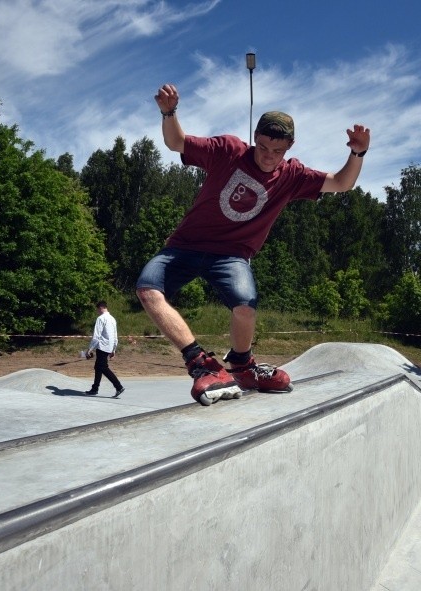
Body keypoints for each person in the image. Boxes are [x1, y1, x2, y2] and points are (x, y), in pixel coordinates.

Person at [137, 83, 371, 406]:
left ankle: (243, 366)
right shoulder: (228, 151)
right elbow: (176, 141)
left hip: (233, 256)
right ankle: (201, 363)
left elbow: (343, 183)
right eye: (263, 148)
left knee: (246, 304)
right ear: (255, 139)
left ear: (289, 147)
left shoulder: (292, 176)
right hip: (186, 245)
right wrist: (169, 112)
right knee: (147, 288)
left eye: (277, 152)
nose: (269, 157)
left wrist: (357, 153)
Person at [85, 300, 126, 398]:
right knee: (98, 367)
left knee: (103, 367)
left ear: (100, 308)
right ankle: (95, 388)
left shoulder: (101, 318)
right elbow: (115, 335)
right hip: (109, 346)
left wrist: (90, 349)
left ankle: (119, 387)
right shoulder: (112, 319)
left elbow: (97, 335)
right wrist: (113, 349)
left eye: (97, 310)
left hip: (102, 346)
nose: (97, 312)